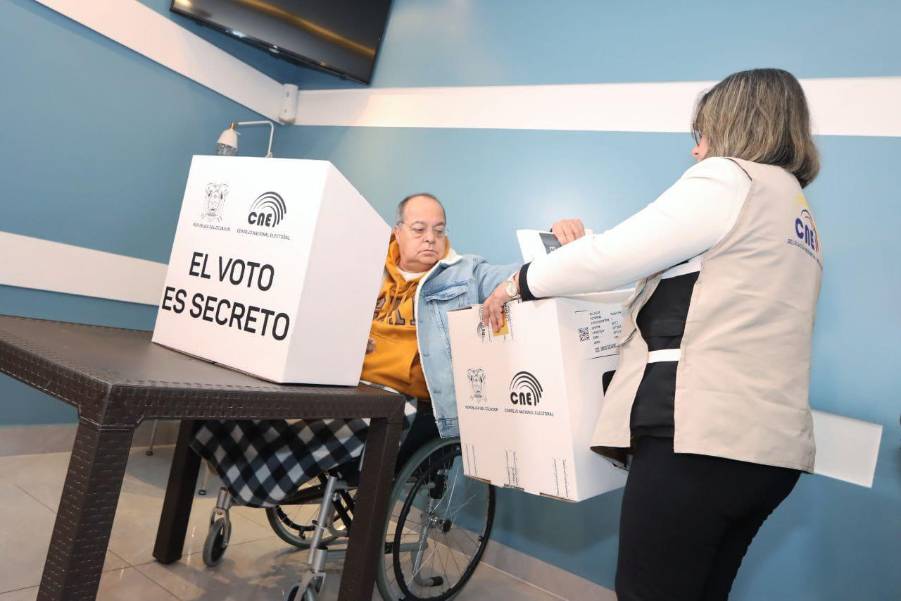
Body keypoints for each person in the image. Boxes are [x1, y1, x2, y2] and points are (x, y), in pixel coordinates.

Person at [482, 68, 823, 601]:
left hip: (699, 440)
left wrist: (517, 283)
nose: (696, 151)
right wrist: (585, 249)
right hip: (768, 450)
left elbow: (615, 257)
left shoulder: (729, 178)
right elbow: (692, 284)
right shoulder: (796, 211)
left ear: (736, 125)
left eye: (702, 134)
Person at [192, 193, 568, 508]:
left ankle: (255, 480)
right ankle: (243, 467)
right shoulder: (366, 268)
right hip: (342, 384)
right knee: (242, 402)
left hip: (403, 405)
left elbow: (523, 275)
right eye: (419, 229)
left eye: (439, 230)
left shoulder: (465, 273)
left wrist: (561, 247)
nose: (430, 239)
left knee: (318, 427)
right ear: (397, 232)